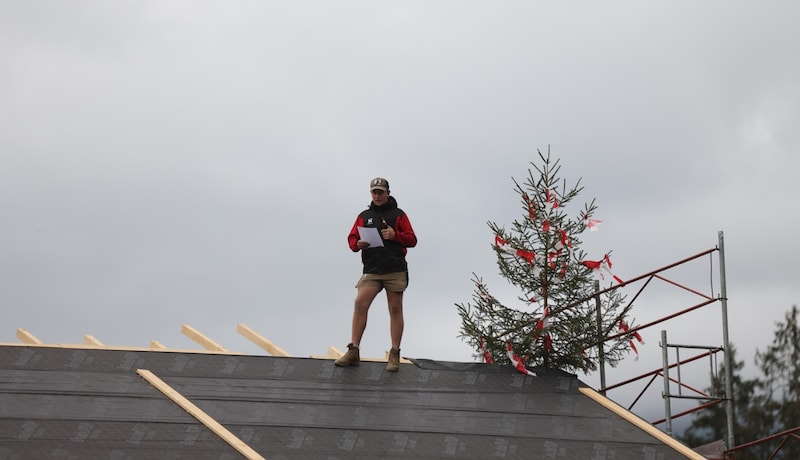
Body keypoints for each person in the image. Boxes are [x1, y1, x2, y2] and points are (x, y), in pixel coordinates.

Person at [335, 177, 417, 372]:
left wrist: (396, 236)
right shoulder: (364, 215)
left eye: (381, 192)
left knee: (395, 308)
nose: (377, 195)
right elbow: (352, 238)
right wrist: (357, 244)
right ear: (371, 193)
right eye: (374, 192)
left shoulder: (399, 214)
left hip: (394, 269)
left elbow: (412, 239)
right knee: (360, 303)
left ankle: (394, 353)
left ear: (388, 193)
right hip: (372, 268)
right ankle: (354, 350)